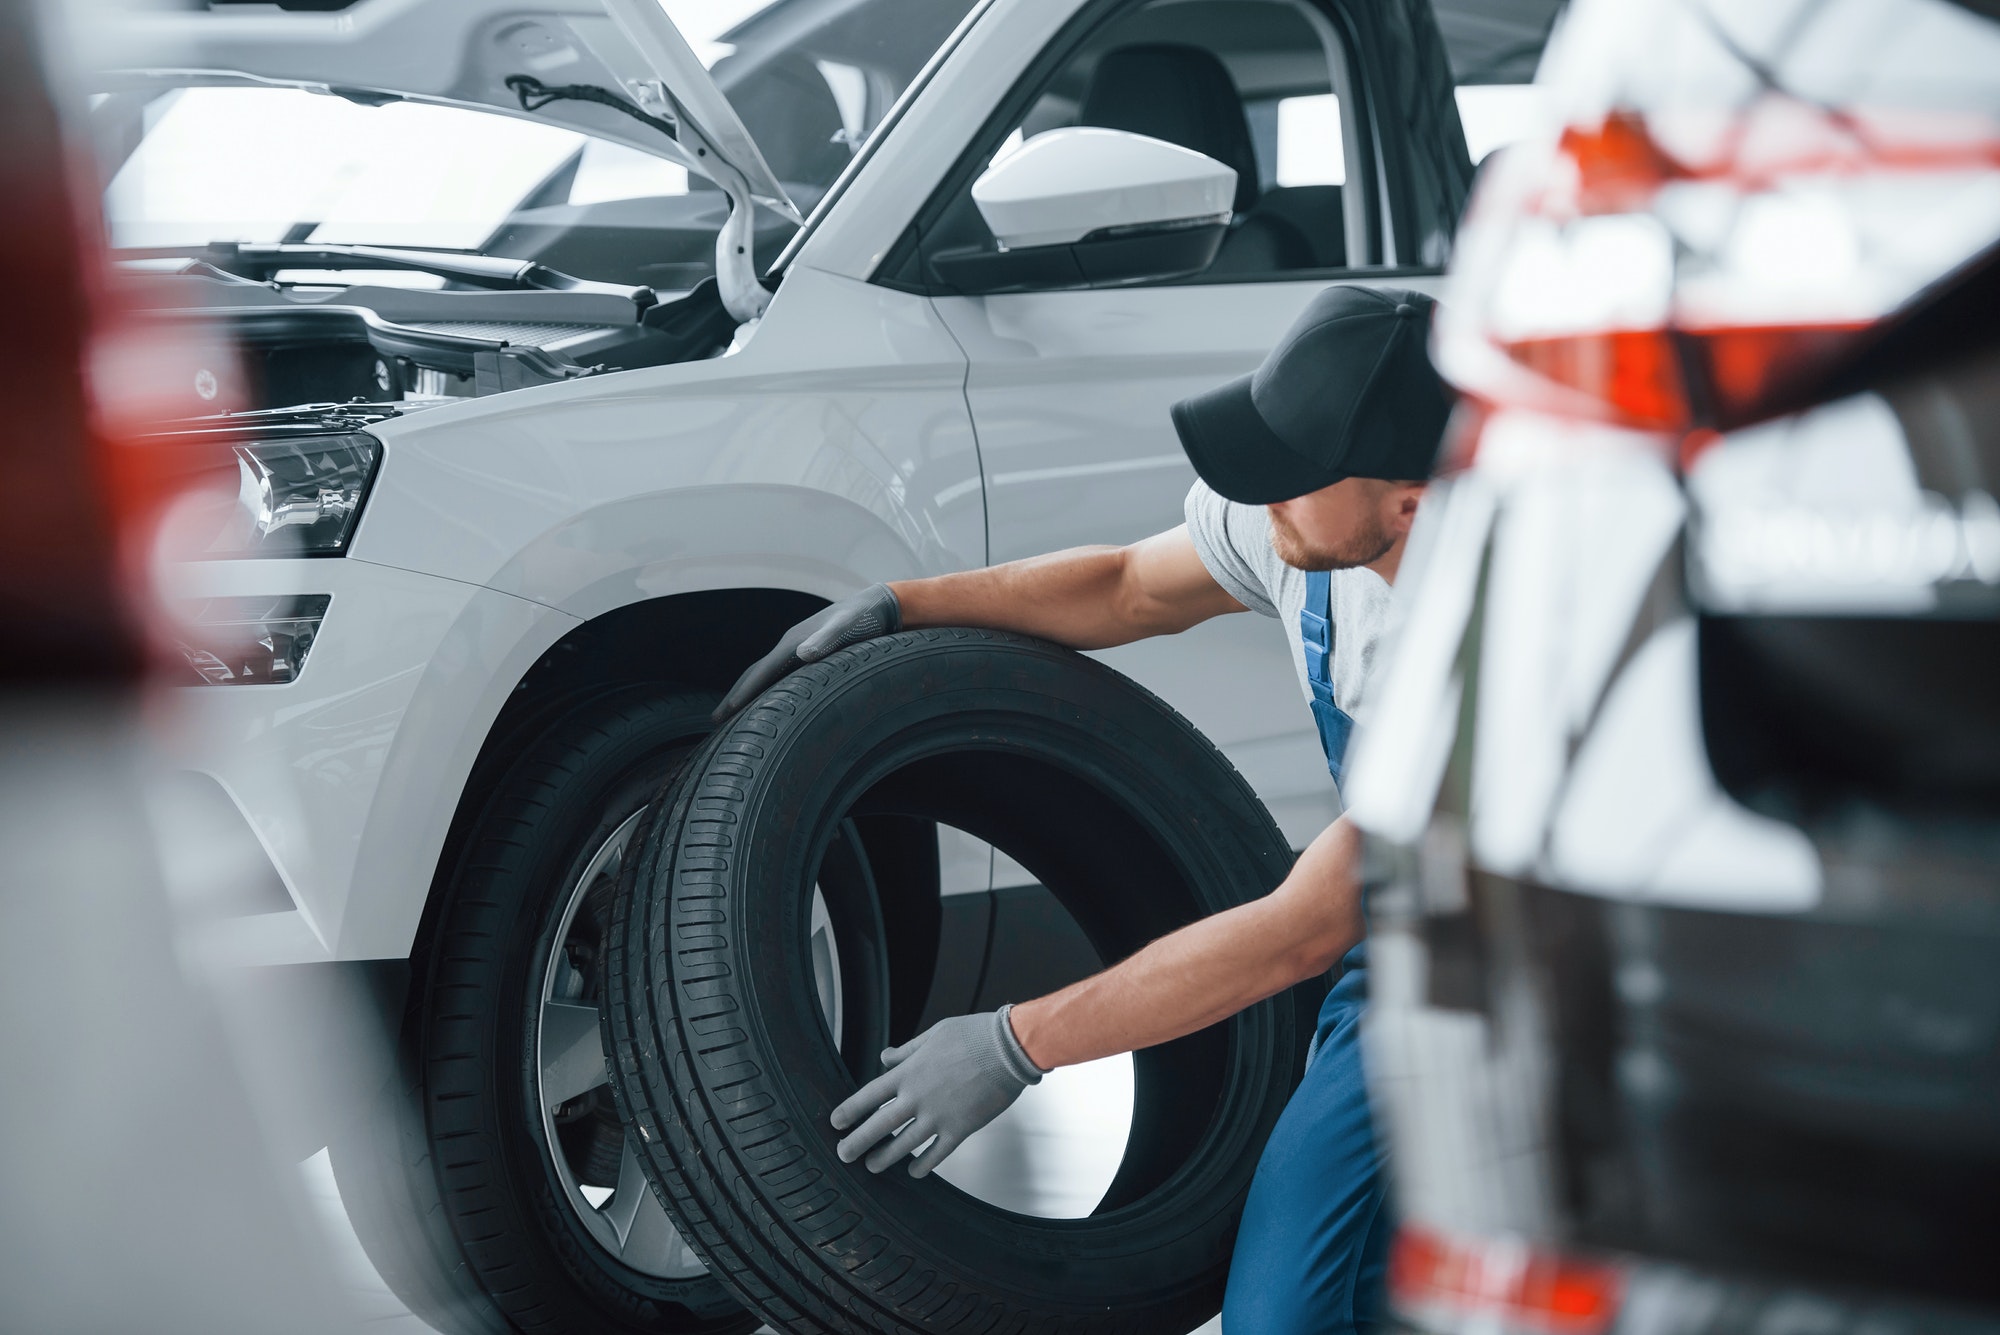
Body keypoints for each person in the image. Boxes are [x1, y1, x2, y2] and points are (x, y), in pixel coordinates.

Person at [715, 284, 1451, 1334]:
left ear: (1408, 502)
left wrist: (1015, 1044)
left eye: (1293, 472)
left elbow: (1300, 933)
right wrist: (903, 605)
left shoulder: (1493, 644)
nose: (1262, 491)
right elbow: (1123, 587)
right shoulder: (1303, 521)